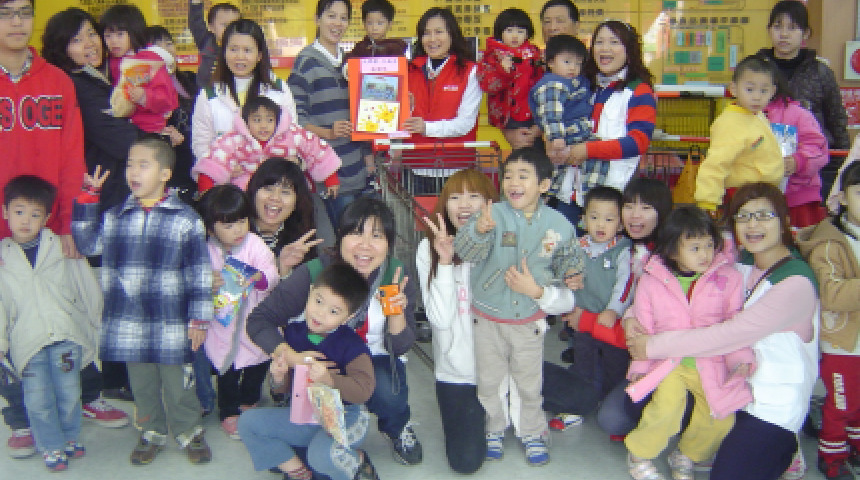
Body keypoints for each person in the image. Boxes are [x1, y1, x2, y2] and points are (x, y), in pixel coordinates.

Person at [627, 182, 820, 480]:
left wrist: (650, 346)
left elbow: (728, 333)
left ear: (784, 220)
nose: (753, 225)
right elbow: (662, 296)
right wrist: (630, 318)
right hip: (720, 376)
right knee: (652, 408)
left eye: (763, 215)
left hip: (768, 402)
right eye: (744, 216)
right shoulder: (740, 265)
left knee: (724, 454)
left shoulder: (795, 282)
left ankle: (782, 447)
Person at [2, 3, 128, 458]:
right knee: (9, 322)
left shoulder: (56, 80)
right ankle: (20, 416)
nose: (17, 22)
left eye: (24, 12)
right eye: (6, 12)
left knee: (74, 313)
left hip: (54, 225)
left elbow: (72, 153)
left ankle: (88, 395)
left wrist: (71, 220)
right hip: (4, 232)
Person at [246, 197, 424, 466]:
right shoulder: (316, 272)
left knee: (388, 389)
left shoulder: (395, 276)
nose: (365, 245)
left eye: (377, 236)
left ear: (389, 243)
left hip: (370, 359)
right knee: (310, 460)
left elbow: (398, 348)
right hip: (317, 356)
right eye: (356, 233)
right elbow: (259, 321)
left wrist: (396, 313)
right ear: (340, 236)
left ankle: (396, 426)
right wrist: (292, 357)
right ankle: (306, 420)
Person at [71, 135, 214, 466]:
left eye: (143, 165)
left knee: (179, 384)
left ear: (165, 174)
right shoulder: (115, 216)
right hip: (130, 323)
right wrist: (88, 198)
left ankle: (189, 431)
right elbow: (87, 244)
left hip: (171, 322)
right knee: (142, 386)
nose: (133, 171)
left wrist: (199, 318)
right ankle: (151, 432)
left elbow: (199, 272)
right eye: (130, 165)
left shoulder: (186, 219)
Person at [453, 147, 585, 466]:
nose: (513, 182)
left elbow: (569, 257)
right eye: (508, 175)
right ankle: (493, 429)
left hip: (528, 320)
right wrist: (479, 232)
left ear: (544, 185)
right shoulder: (491, 215)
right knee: (489, 381)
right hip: (487, 317)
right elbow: (466, 252)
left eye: (523, 176)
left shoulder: (558, 224)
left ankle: (532, 432)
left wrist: (573, 272)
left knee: (529, 382)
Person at [624, 206, 752, 480]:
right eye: (695, 248)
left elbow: (736, 324)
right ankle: (639, 453)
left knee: (721, 415)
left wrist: (740, 360)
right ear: (672, 251)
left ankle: (687, 454)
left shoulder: (729, 278)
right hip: (669, 363)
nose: (705, 254)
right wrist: (640, 368)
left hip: (712, 362)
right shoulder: (651, 281)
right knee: (666, 409)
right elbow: (643, 328)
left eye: (709, 245)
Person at [239, 263, 379, 480]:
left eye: (333, 311)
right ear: (311, 291)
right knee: (248, 422)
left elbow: (364, 390)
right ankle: (297, 469)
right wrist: (278, 377)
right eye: (318, 301)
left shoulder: (352, 345)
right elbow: (281, 390)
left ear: (348, 317)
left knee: (321, 457)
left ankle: (358, 462)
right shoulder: (293, 334)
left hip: (345, 419)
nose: (320, 313)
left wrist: (329, 379)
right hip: (305, 415)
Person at [0, 176, 102, 472]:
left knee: (69, 392)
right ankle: (50, 446)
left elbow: (86, 285)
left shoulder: (61, 247)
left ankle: (69, 437)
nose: (26, 221)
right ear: (5, 212)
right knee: (38, 399)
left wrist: (96, 323)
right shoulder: (3, 258)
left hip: (66, 336)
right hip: (27, 343)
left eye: (35, 214)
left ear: (46, 218)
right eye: (19, 212)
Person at [416, 169, 499, 474]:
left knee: (582, 397)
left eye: (474, 196)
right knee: (465, 462)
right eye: (455, 197)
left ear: (490, 203)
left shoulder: (503, 243)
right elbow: (439, 319)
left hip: (503, 365)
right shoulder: (428, 248)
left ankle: (504, 407)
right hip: (457, 374)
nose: (464, 205)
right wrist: (446, 262)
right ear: (444, 205)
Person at [198, 185, 279, 440]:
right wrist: (207, 281)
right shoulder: (205, 250)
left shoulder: (254, 244)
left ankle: (249, 401)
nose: (238, 230)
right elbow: (194, 279)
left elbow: (272, 272)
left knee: (257, 364)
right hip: (222, 326)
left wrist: (259, 277)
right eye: (229, 225)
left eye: (242, 221)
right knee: (227, 370)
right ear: (211, 229)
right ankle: (229, 410)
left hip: (254, 322)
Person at [798, 160, 860, 480]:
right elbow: (832, 294)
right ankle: (832, 455)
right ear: (843, 198)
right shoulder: (830, 243)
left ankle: (854, 444)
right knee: (842, 403)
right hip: (842, 343)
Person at [561, 21, 657, 228]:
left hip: (613, 196)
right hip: (572, 192)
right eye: (599, 42)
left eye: (614, 42)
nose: (605, 48)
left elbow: (638, 142)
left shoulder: (639, 91)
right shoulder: (584, 85)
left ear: (629, 49)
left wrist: (588, 150)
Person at [558, 186, 632, 427]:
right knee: (583, 362)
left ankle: (610, 400)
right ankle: (579, 404)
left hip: (611, 323)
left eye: (609, 219)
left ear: (620, 224)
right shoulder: (577, 246)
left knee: (615, 365)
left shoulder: (623, 250)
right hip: (582, 321)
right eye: (594, 217)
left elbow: (625, 284)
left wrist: (614, 310)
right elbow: (562, 272)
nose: (601, 224)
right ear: (583, 219)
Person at [288, 0, 365, 224]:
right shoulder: (306, 63)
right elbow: (294, 120)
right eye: (331, 16)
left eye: (343, 18)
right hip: (330, 174)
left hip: (357, 169)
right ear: (317, 19)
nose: (337, 23)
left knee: (358, 234)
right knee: (346, 235)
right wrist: (328, 132)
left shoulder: (351, 62)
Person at [192, 18, 298, 169]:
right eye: (233, 49)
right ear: (224, 52)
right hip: (226, 180)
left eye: (247, 50)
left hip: (269, 177)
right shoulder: (209, 95)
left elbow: (292, 137)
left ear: (259, 55)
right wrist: (223, 169)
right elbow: (201, 145)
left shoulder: (279, 89)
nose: (239, 56)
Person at [193, 95, 341, 195]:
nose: (263, 126)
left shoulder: (292, 134)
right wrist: (206, 191)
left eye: (270, 120)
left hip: (286, 190)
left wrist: (331, 180)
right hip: (246, 193)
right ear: (245, 121)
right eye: (257, 120)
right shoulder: (233, 139)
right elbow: (212, 162)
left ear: (278, 120)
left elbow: (317, 150)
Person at [402, 8, 480, 193]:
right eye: (426, 33)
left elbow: (466, 123)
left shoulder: (470, 71)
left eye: (439, 32)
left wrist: (426, 128)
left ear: (452, 34)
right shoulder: (408, 70)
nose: (432, 39)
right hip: (415, 167)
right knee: (418, 213)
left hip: (456, 168)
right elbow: (398, 119)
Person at [694, 55, 784, 215]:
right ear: (734, 89)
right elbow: (716, 163)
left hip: (763, 193)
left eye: (764, 91)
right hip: (742, 195)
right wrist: (708, 201)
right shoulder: (730, 123)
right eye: (749, 89)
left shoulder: (757, 115)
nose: (757, 97)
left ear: (772, 92)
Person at [758, 0, 849, 150]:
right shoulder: (755, 69)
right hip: (763, 155)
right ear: (769, 30)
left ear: (806, 33)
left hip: (812, 156)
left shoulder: (820, 72)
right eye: (777, 26)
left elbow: (837, 121)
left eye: (792, 27)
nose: (784, 34)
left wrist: (842, 160)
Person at [343, 0, 409, 192]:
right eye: (370, 23)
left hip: (390, 98)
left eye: (380, 23)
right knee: (364, 131)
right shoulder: (360, 48)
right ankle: (371, 169)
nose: (374, 27)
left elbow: (403, 72)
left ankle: (393, 165)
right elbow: (348, 64)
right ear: (364, 24)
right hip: (367, 99)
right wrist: (348, 70)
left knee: (394, 129)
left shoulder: (396, 47)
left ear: (389, 24)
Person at [764, 71, 829, 228]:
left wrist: (798, 161)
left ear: (775, 87)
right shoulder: (738, 117)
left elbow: (818, 148)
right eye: (749, 89)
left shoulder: (798, 114)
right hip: (751, 196)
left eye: (763, 88)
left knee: (800, 240)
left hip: (798, 198)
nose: (756, 95)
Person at [246, 158, 329, 277]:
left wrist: (284, 269)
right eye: (268, 189)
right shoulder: (234, 230)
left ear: (297, 201)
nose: (275, 198)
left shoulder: (303, 239)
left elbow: (313, 285)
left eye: (285, 192)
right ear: (253, 192)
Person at [145, 25, 199, 199]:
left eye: (168, 44)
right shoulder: (146, 89)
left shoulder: (191, 79)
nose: (165, 50)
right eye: (157, 46)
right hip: (172, 169)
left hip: (198, 163)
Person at [477, 8, 543, 150]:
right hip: (508, 115)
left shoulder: (534, 53)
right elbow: (487, 85)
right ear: (500, 32)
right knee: (520, 149)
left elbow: (542, 79)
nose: (515, 36)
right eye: (509, 30)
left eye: (520, 31)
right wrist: (502, 72)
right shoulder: (492, 56)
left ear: (528, 34)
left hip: (534, 112)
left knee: (536, 150)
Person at [188, 0, 240, 90]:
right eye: (224, 25)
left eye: (234, 25)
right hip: (205, 91)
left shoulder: (242, 45)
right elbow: (196, 23)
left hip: (232, 91)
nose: (229, 29)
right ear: (211, 27)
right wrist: (196, 3)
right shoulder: (206, 40)